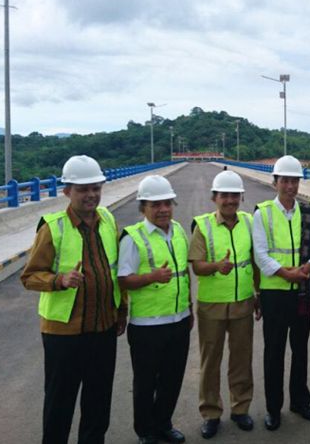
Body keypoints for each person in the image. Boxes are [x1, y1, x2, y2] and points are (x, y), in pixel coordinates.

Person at [20, 155, 126, 444]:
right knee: (60, 402)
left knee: (98, 400)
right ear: (67, 191)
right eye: (83, 189)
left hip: (103, 329)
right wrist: (59, 280)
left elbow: (114, 270)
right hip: (64, 333)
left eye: (96, 188)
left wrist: (121, 310)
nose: (91, 195)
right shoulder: (52, 228)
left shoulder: (108, 221)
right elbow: (29, 276)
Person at [252, 155, 310, 430]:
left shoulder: (308, 212)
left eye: (294, 180)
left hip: (303, 290)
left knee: (301, 349)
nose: (290, 186)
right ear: (275, 183)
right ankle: (273, 408)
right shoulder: (263, 213)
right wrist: (286, 273)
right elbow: (260, 254)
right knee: (274, 352)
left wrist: (307, 267)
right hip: (275, 293)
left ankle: (300, 401)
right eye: (285, 180)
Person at [118, 175, 191, 444]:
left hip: (179, 319)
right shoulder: (132, 238)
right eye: (155, 204)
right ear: (143, 208)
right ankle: (145, 431)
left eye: (167, 203)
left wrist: (190, 308)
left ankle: (163, 424)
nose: (163, 209)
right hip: (147, 326)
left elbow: (183, 274)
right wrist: (151, 277)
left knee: (172, 379)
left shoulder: (179, 231)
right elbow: (123, 279)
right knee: (146, 383)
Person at [190, 171, 261, 439]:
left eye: (234, 196)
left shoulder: (249, 222)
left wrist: (258, 293)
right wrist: (216, 267)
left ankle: (240, 408)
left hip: (243, 301)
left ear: (241, 197)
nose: (230, 201)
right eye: (225, 196)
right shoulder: (202, 225)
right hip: (212, 306)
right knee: (211, 362)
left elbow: (254, 261)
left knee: (242, 359)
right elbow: (197, 266)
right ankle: (210, 412)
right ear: (214, 198)